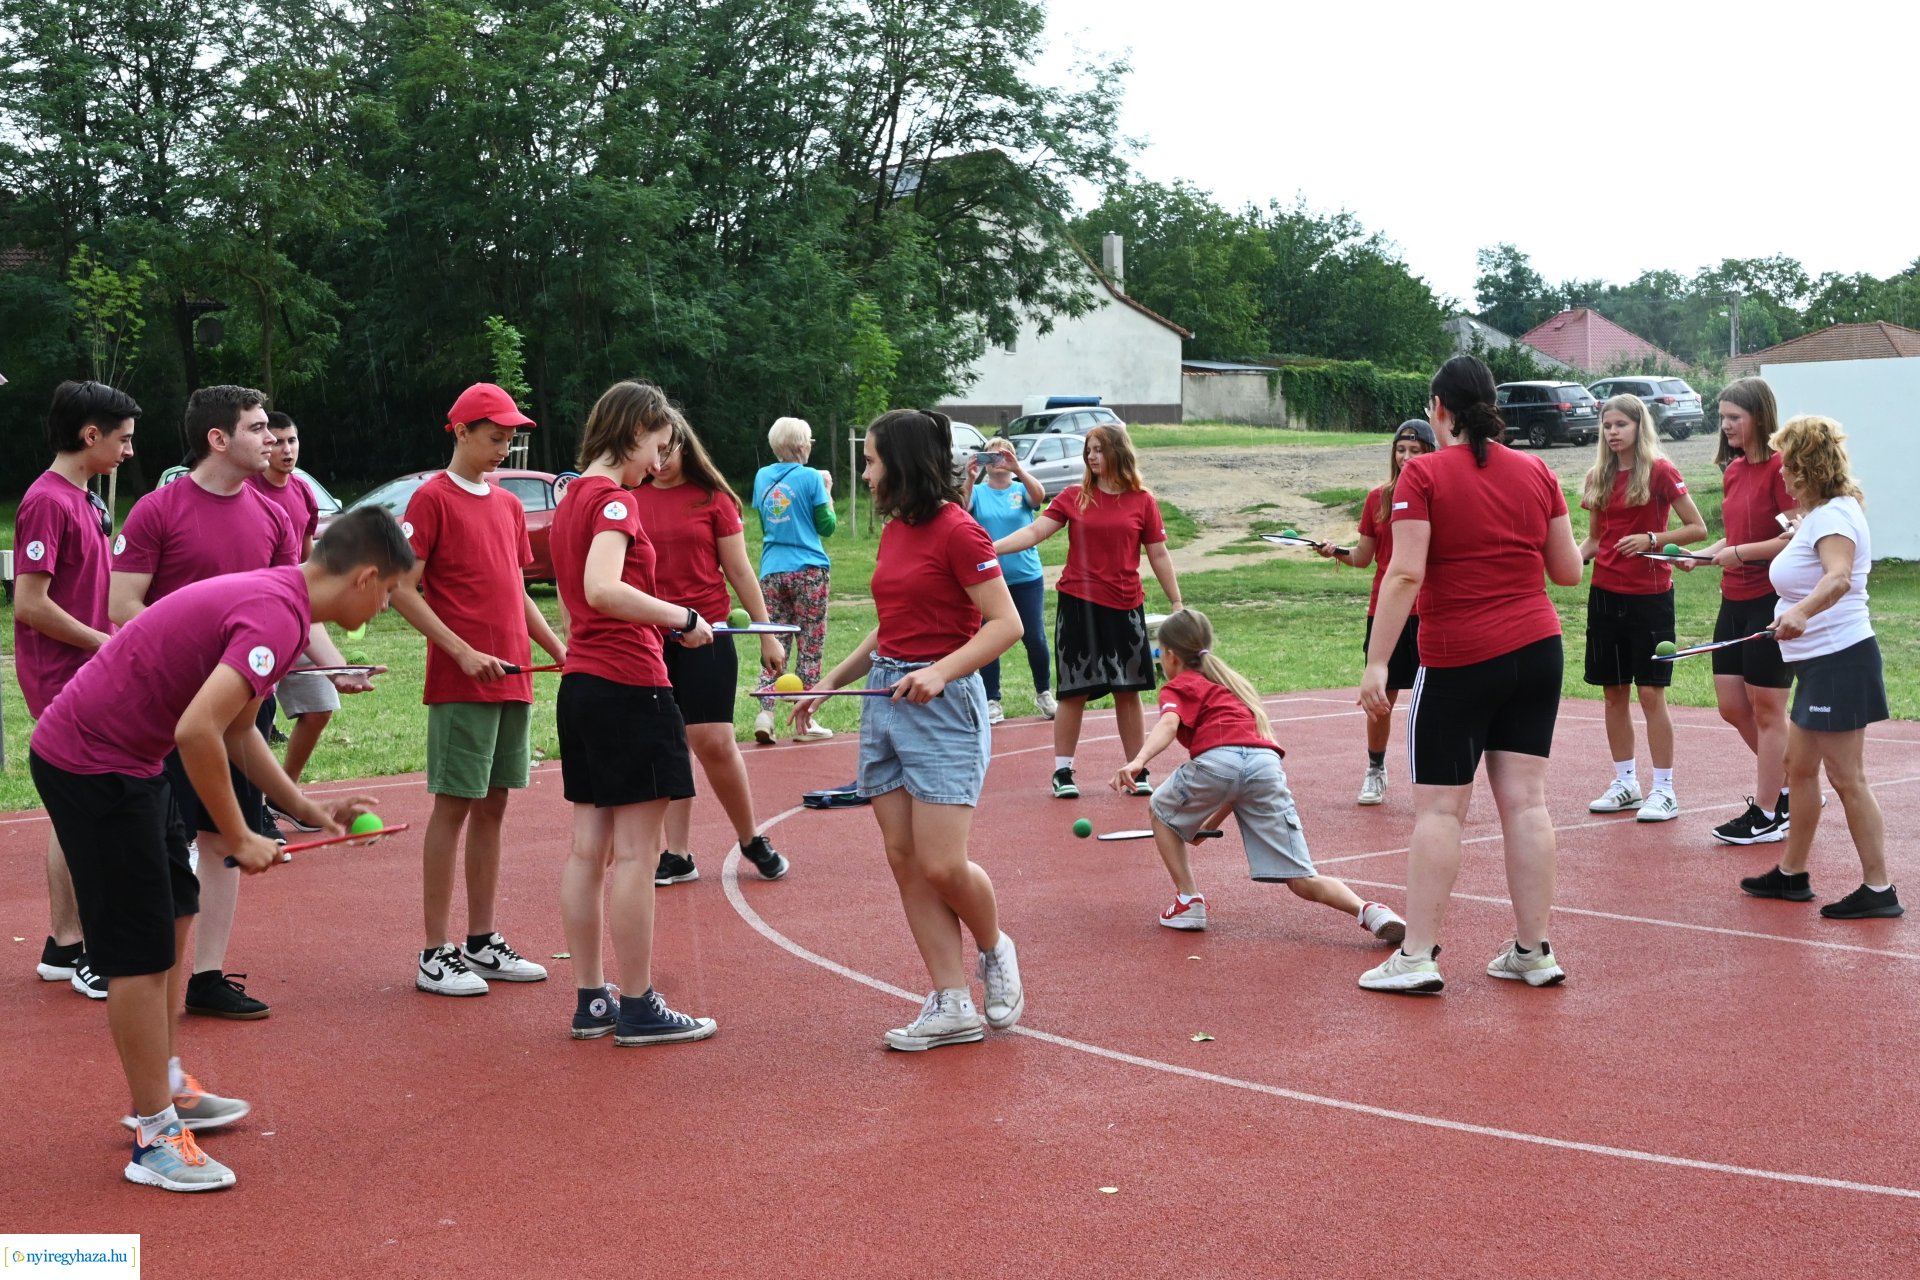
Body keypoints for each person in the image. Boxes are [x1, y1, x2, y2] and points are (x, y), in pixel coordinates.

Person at [29, 506, 410, 1191]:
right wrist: (237, 837)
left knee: (177, 910)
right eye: (388, 595)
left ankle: (165, 1085)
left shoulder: (281, 605)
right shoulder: (276, 613)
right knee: (140, 954)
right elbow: (197, 732)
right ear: (366, 576)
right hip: (92, 763)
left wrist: (307, 810)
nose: (382, 610)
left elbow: (237, 733)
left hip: (130, 763)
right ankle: (153, 1137)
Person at [793, 409, 1024, 1051]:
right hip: (886, 702)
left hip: (942, 706)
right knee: (904, 859)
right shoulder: (897, 530)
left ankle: (994, 946)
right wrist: (832, 681)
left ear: (902, 464)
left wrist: (940, 673)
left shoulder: (961, 533)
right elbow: (890, 624)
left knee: (943, 863)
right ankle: (951, 1002)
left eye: (870, 461)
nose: (864, 475)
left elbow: (1006, 625)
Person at [1357, 354, 1584, 995]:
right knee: (1527, 803)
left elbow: (1403, 572)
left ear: (1438, 409)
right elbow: (1567, 572)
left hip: (1460, 655)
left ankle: (1418, 955)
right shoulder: (1538, 469)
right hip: (1538, 650)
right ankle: (1534, 950)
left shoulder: (1422, 473)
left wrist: (1378, 662)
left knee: (1439, 809)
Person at [111, 385, 304, 1020]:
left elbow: (287, 606)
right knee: (157, 838)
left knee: (226, 832)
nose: (271, 440)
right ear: (218, 439)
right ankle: (140, 964)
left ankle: (208, 976)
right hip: (164, 710)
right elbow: (123, 607)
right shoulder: (156, 510)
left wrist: (329, 665)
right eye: (256, 429)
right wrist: (185, 673)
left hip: (243, 705)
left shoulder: (275, 516)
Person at [551, 381, 718, 1045]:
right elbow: (602, 589)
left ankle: (593, 997)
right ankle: (640, 1003)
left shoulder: (570, 500)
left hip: (583, 686)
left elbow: (577, 601)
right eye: (658, 443)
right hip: (627, 685)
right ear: (633, 429)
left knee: (588, 849)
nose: (660, 459)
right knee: (637, 855)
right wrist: (682, 618)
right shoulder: (614, 501)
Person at [390, 382, 565, 997]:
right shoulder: (430, 499)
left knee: (494, 806)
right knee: (455, 806)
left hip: (513, 677)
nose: (503, 449)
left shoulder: (508, 505)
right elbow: (401, 591)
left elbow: (516, 591)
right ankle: (434, 951)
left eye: (510, 439)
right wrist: (463, 653)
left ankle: (481, 941)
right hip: (462, 682)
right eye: (495, 437)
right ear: (461, 432)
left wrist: (558, 651)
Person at [1110, 608, 1407, 942]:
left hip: (1217, 762)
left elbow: (1170, 725)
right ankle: (1371, 911)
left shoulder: (1180, 686)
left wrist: (1139, 760)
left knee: (1161, 810)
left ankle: (1188, 900)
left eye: (1159, 655)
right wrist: (1208, 823)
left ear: (1171, 655)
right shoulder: (1232, 686)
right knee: (1302, 877)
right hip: (1266, 766)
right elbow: (1242, 774)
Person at [1738, 417, 1902, 919]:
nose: (1782, 476)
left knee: (1847, 778)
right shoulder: (1823, 514)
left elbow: (1838, 579)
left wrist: (1800, 613)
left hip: (1840, 662)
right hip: (1820, 664)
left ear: (1806, 470)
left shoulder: (1832, 519)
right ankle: (1791, 875)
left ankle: (1879, 889)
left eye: (1788, 467)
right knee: (1799, 767)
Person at [16, 381, 138, 999]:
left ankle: (65, 947)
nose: (129, 452)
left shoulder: (88, 499)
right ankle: (81, 946)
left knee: (78, 813)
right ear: (90, 435)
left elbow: (93, 592)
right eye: (123, 439)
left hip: (91, 668)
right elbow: (29, 604)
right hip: (62, 677)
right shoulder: (47, 501)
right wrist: (102, 644)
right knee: (85, 811)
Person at [632, 414, 792, 887]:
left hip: (710, 635)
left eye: (668, 451)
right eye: (652, 452)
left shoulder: (714, 500)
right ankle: (677, 854)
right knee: (666, 743)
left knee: (714, 741)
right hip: (649, 637)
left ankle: (750, 839)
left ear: (685, 445)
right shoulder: (627, 499)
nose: (659, 462)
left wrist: (765, 633)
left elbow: (741, 571)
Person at [990, 424, 1181, 800]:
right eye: (1088, 450)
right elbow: (1034, 533)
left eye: (1098, 449)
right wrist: (991, 547)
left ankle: (1136, 768)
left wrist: (1176, 601)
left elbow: (1157, 553)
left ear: (1117, 453)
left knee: (1128, 691)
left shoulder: (1142, 500)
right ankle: (1062, 771)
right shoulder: (1074, 497)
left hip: (1126, 606)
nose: (1091, 456)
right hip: (1079, 605)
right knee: (1073, 692)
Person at [1576, 394, 1707, 822]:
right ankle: (1625, 783)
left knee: (1650, 693)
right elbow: (1594, 541)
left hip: (1651, 599)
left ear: (1638, 426)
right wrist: (1565, 562)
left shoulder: (1661, 471)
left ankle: (1664, 789)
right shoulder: (1598, 476)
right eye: (1607, 426)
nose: (1612, 432)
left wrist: (1652, 539)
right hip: (1606, 597)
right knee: (1614, 693)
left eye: (1620, 425)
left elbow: (1697, 528)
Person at [1688, 377, 1797, 845]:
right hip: (1732, 601)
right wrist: (1704, 554)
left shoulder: (1782, 469)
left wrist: (1739, 554)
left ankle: (1770, 811)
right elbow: (1733, 538)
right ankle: (1794, 787)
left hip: (1769, 601)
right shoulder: (1732, 471)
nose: (1727, 425)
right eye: (1723, 417)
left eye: (1735, 417)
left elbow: (1795, 537)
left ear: (1759, 418)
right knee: (1733, 707)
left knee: (1769, 709)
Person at [1319, 420, 1435, 805]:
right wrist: (1335, 551)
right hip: (1387, 611)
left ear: (1430, 452)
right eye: (1401, 451)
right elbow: (1364, 557)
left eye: (1415, 451)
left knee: (1436, 698)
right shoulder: (1378, 498)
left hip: (1433, 609)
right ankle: (1375, 769)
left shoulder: (1441, 493)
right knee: (1382, 696)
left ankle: (1434, 777)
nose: (1406, 457)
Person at [246, 410, 344, 796]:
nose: (286, 450)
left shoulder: (302, 491)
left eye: (293, 440)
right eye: (278, 441)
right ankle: (246, 812)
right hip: (257, 623)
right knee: (247, 722)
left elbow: (305, 568)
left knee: (320, 705)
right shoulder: (248, 491)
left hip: (296, 620)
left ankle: (283, 793)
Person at [749, 416, 835, 743]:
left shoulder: (762, 477)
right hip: (809, 568)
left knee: (776, 642)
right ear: (801, 446)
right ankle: (806, 720)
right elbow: (826, 525)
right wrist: (826, 490)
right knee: (810, 645)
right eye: (810, 440)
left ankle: (765, 712)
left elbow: (765, 521)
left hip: (772, 569)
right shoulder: (811, 477)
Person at [961, 437, 1056, 724]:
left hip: (1026, 576)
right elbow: (961, 510)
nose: (997, 462)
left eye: (1003, 457)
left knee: (1035, 637)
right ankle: (992, 700)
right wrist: (969, 477)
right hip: (989, 578)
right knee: (989, 637)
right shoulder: (978, 492)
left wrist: (1019, 469)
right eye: (991, 457)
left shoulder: (1019, 489)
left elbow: (1039, 497)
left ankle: (1044, 693)